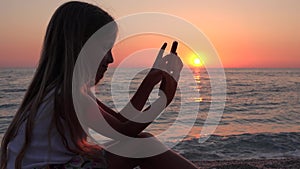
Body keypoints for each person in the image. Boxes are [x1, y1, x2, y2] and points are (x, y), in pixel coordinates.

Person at [0, 1, 198, 169]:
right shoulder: (68, 94)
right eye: (105, 48)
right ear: (80, 47)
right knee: (143, 144)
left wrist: (149, 82)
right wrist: (163, 100)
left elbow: (120, 121)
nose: (111, 58)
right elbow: (124, 131)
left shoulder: (64, 90)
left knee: (139, 141)